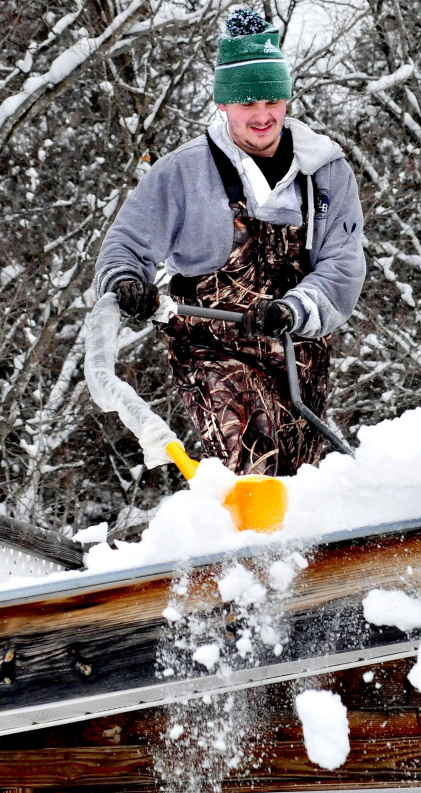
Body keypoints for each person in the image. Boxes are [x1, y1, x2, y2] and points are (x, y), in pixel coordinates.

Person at [93, 8, 365, 475]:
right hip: (213, 351)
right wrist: (126, 282)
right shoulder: (184, 173)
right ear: (223, 104)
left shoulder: (325, 172)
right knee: (251, 464)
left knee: (300, 481)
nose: (262, 116)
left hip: (299, 356)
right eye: (247, 103)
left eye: (273, 101)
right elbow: (126, 244)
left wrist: (295, 309)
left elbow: (342, 264)